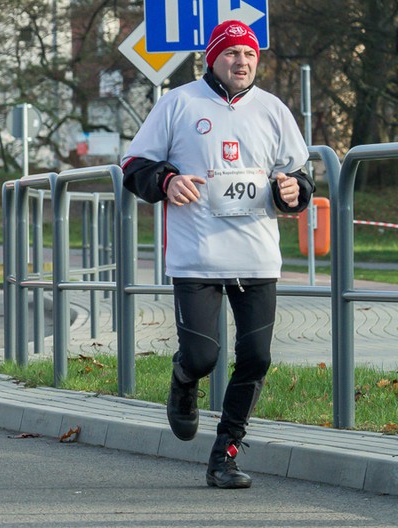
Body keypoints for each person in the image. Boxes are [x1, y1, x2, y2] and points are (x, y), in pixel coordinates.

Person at [120, 20, 315, 489]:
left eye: (249, 55)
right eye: (231, 55)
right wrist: (167, 180)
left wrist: (295, 190)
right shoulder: (179, 103)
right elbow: (134, 166)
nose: (241, 62)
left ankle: (224, 454)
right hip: (196, 256)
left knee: (257, 356)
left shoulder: (273, 110)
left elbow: (300, 177)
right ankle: (183, 382)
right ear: (213, 59)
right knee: (203, 356)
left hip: (257, 257)